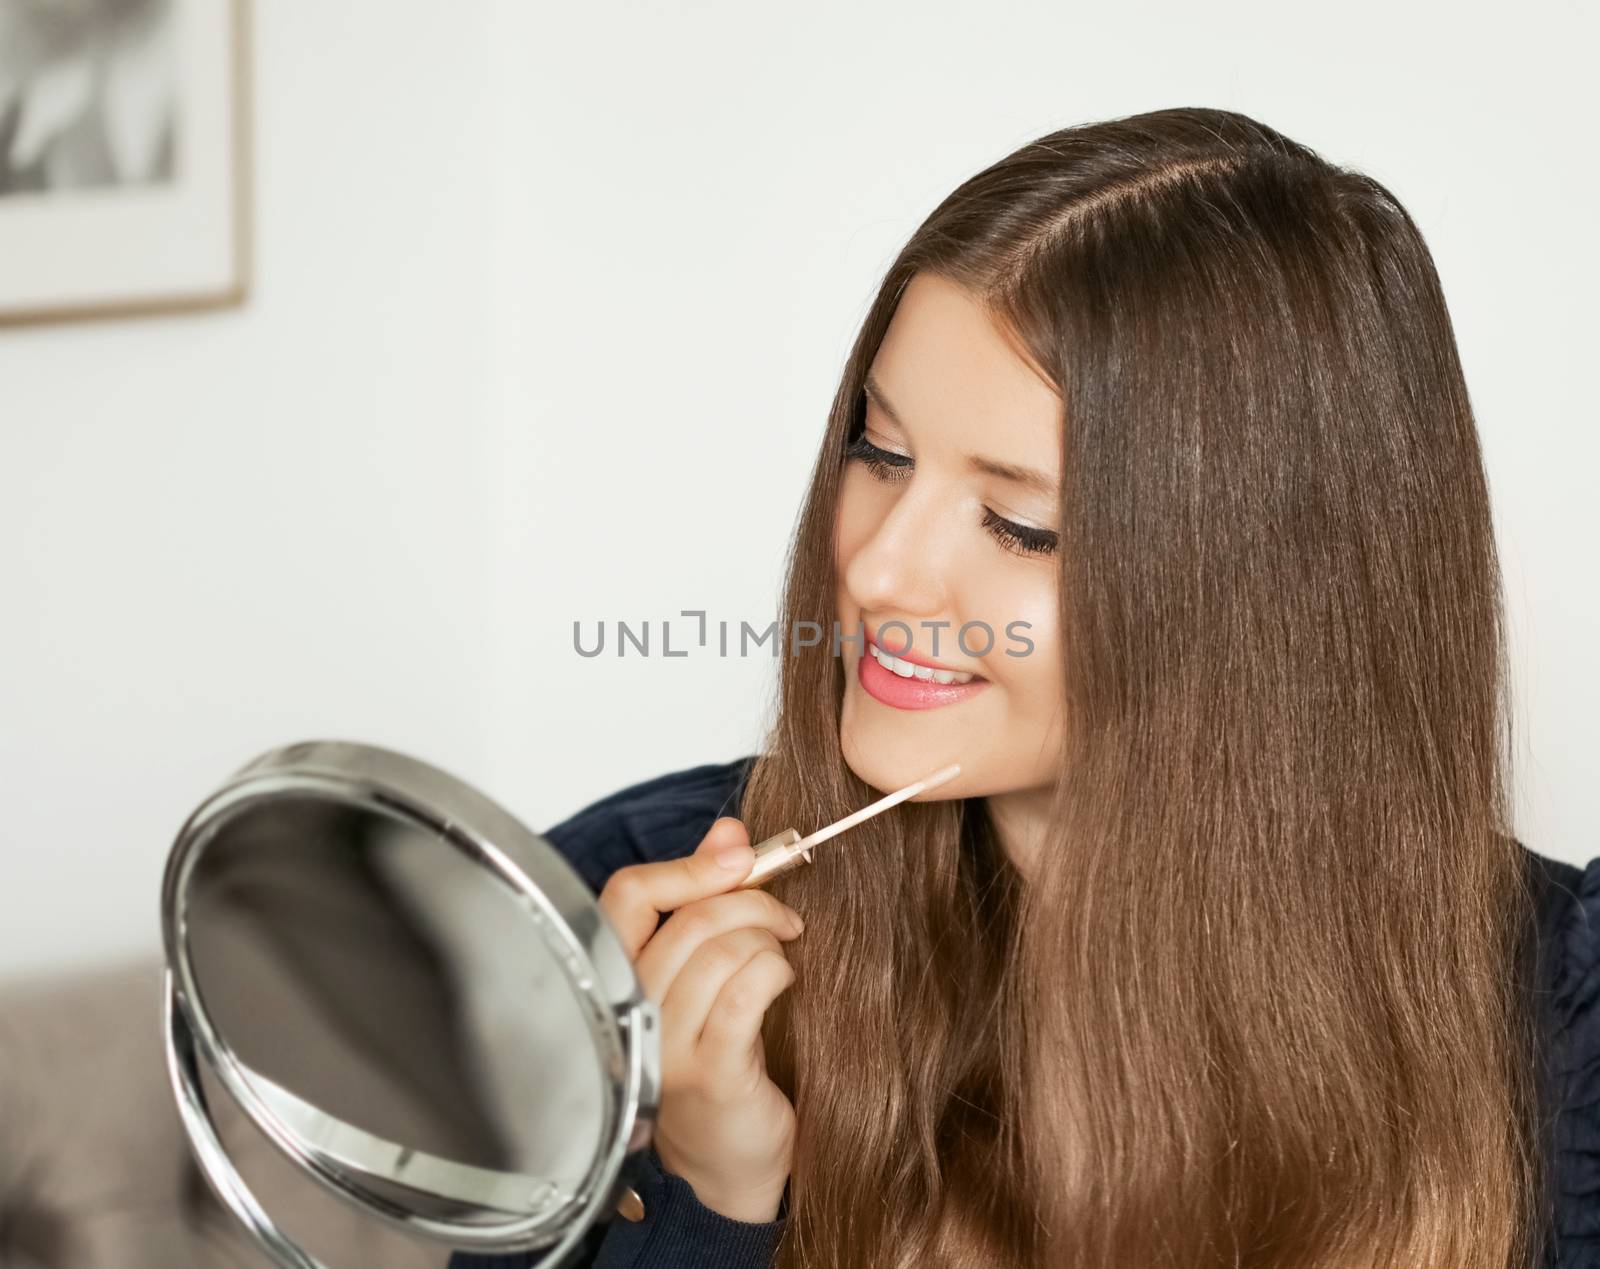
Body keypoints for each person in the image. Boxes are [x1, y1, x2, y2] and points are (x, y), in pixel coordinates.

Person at [450, 107, 1600, 1268]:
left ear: (1270, 597)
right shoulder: (627, 903)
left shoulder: (1563, 1026)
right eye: (879, 452)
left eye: (1018, 524)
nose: (877, 566)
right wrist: (701, 1194)